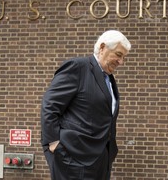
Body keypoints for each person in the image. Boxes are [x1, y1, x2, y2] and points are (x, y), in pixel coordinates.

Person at [40, 30, 131, 180]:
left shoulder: (108, 78)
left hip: (101, 159)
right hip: (73, 157)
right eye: (119, 55)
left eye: (124, 57)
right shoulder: (78, 67)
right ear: (102, 48)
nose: (121, 62)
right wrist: (53, 143)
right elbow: (50, 106)